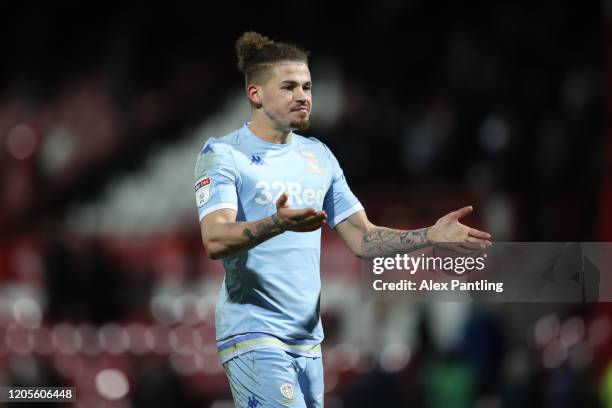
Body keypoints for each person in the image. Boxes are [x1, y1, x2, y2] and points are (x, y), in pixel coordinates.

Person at [194, 31, 492, 408]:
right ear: (256, 94)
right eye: (288, 87)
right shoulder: (223, 154)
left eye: (307, 86)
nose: (302, 96)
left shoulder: (319, 157)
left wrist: (429, 234)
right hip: (253, 331)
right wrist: (276, 223)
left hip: (306, 339)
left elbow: (363, 239)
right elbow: (214, 239)